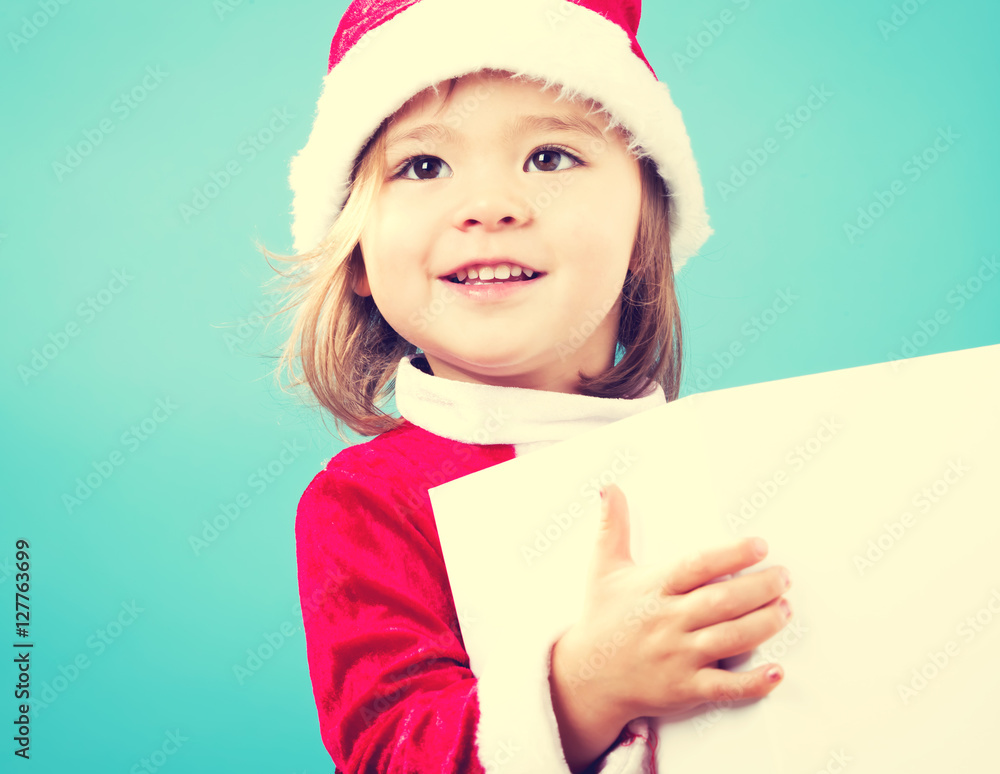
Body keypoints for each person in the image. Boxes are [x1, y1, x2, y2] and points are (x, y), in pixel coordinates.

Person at [271, 1, 793, 771]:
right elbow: (391, 753)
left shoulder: (737, 460)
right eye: (422, 166)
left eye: (550, 158)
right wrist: (582, 689)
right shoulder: (367, 506)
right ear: (353, 251)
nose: (490, 208)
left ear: (647, 226)